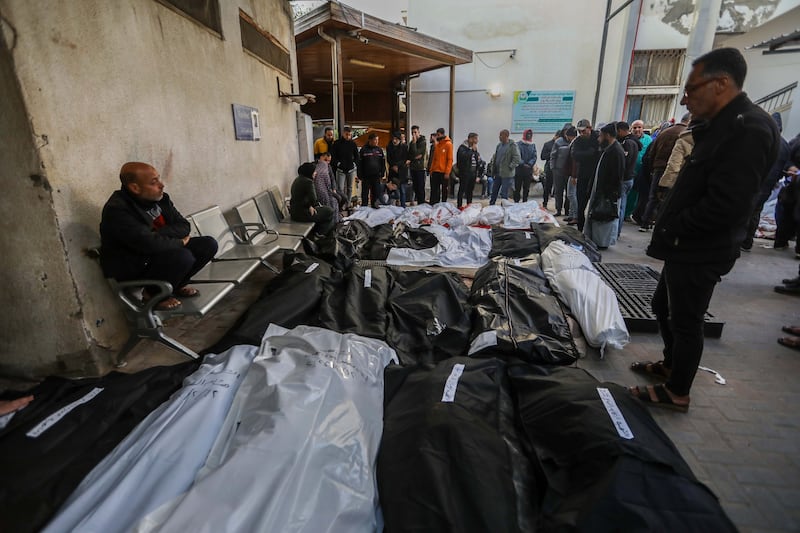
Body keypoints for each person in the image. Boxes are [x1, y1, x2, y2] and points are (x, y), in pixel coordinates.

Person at [630, 47, 779, 413]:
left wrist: (677, 226)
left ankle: (678, 390)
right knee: (662, 306)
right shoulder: (726, 124)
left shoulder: (749, 129)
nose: (685, 98)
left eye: (692, 88)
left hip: (700, 248)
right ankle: (670, 365)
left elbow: (728, 205)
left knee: (686, 320)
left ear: (721, 84)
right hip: (685, 245)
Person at [100, 162, 218, 311]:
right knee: (182, 255)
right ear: (134, 188)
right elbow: (148, 243)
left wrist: (158, 234)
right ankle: (154, 295)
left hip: (155, 255)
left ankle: (176, 285)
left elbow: (184, 225)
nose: (161, 185)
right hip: (133, 264)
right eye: (154, 182)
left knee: (207, 244)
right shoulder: (118, 209)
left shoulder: (161, 199)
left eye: (159, 179)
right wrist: (179, 243)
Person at [638, 113, 691, 231]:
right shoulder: (686, 135)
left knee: (653, 197)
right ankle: (660, 225)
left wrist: (653, 167)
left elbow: (652, 151)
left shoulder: (664, 132)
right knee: (667, 200)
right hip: (673, 170)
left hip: (658, 168)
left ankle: (645, 222)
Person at [584, 123, 625, 249]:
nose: (598, 139)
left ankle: (601, 244)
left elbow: (615, 177)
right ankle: (596, 240)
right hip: (600, 192)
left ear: (607, 136)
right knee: (597, 219)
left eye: (600, 136)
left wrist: (607, 195)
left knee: (603, 219)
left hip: (607, 194)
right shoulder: (608, 149)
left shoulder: (616, 152)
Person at [571, 119, 601, 231]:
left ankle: (592, 229)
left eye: (584, 131)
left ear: (590, 128)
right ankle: (580, 227)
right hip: (583, 174)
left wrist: (587, 153)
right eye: (580, 131)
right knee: (581, 203)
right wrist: (590, 152)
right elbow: (575, 154)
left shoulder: (597, 138)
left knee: (594, 204)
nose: (582, 134)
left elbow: (600, 153)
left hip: (596, 175)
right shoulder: (578, 141)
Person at [290, 162, 335, 236]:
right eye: (314, 171)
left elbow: (300, 198)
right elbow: (314, 200)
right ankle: (320, 235)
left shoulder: (297, 179)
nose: (315, 173)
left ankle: (316, 234)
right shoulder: (308, 182)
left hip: (294, 212)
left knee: (323, 213)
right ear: (309, 172)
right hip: (302, 214)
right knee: (330, 211)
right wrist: (311, 205)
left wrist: (310, 206)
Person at [616, 121, 641, 238]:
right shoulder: (634, 142)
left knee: (620, 207)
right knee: (622, 205)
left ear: (621, 130)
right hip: (629, 178)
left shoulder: (627, 143)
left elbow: (624, 162)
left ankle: (616, 231)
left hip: (625, 179)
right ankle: (617, 231)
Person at [624, 119, 653, 220]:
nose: (637, 129)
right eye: (635, 127)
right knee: (628, 192)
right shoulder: (627, 139)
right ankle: (625, 213)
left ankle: (630, 213)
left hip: (642, 171)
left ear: (643, 128)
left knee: (637, 194)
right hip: (629, 171)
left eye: (639, 127)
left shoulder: (649, 139)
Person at [489, 129, 521, 205]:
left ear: (506, 136)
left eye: (501, 135)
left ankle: (504, 207)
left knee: (504, 192)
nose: (499, 137)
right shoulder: (499, 145)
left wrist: (510, 167)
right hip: (497, 172)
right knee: (494, 190)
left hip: (507, 173)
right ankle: (491, 205)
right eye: (499, 135)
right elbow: (496, 157)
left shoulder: (512, 146)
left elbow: (517, 158)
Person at [330, 126, 359, 206]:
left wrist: (354, 164)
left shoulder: (353, 144)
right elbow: (332, 157)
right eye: (346, 134)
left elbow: (357, 156)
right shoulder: (336, 143)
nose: (348, 136)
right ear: (343, 133)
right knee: (340, 188)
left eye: (349, 135)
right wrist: (338, 164)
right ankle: (341, 204)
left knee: (349, 188)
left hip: (351, 169)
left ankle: (348, 203)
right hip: (340, 170)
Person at [550, 126, 576, 216]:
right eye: (565, 132)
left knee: (569, 193)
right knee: (558, 191)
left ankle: (567, 210)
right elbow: (553, 156)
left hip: (569, 172)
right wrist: (553, 168)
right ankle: (558, 209)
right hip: (558, 170)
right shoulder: (558, 142)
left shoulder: (575, 142)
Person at [455, 132, 484, 208]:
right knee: (462, 190)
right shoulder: (462, 148)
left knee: (470, 191)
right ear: (470, 139)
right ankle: (459, 206)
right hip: (464, 173)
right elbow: (463, 158)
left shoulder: (474, 149)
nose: (477, 141)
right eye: (475, 139)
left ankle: (469, 205)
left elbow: (477, 159)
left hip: (473, 173)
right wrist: (472, 151)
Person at [358, 133, 386, 208]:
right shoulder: (363, 150)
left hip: (376, 175)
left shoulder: (379, 150)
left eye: (377, 140)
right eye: (375, 140)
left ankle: (374, 204)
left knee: (376, 191)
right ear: (370, 140)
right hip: (366, 175)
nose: (377, 141)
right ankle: (364, 206)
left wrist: (382, 173)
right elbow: (359, 163)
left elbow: (383, 163)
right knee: (365, 192)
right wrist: (359, 174)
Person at [314, 153, 343, 223]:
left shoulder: (328, 166)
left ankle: (338, 214)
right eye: (326, 160)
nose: (327, 162)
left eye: (329, 161)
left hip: (329, 189)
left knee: (343, 198)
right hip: (323, 190)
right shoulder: (314, 166)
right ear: (321, 157)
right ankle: (335, 218)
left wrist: (334, 189)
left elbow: (332, 178)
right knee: (337, 199)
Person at [429, 127, 453, 204]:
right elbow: (434, 159)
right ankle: (433, 204)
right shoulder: (437, 145)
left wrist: (447, 172)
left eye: (438, 135)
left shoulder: (448, 144)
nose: (437, 136)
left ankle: (443, 204)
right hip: (436, 171)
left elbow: (450, 159)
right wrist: (431, 170)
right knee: (434, 190)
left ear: (442, 134)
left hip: (443, 171)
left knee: (444, 190)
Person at [386, 131, 409, 207]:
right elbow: (389, 158)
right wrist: (393, 166)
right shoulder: (389, 147)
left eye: (396, 139)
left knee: (402, 190)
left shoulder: (404, 147)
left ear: (399, 139)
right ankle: (390, 205)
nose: (394, 141)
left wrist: (397, 166)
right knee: (391, 189)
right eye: (393, 139)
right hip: (392, 171)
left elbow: (405, 158)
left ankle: (403, 207)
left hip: (402, 171)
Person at [515, 128, 538, 203]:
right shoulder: (518, 144)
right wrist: (523, 164)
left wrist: (529, 164)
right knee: (517, 187)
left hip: (528, 171)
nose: (529, 135)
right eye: (527, 134)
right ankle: (516, 202)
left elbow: (534, 157)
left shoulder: (532, 145)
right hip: (519, 170)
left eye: (530, 134)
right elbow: (517, 156)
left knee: (526, 188)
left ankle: (525, 202)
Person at [407, 125, 428, 205]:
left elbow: (417, 153)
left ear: (419, 132)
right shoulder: (411, 143)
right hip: (413, 168)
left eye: (415, 132)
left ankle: (421, 203)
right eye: (412, 133)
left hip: (420, 168)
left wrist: (414, 143)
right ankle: (418, 202)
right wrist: (414, 157)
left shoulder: (423, 142)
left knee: (420, 187)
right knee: (415, 187)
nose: (414, 134)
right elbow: (410, 155)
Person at [540, 131, 559, 209]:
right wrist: (552, 153)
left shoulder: (562, 144)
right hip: (549, 168)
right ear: (555, 136)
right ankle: (545, 203)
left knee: (558, 189)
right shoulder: (548, 144)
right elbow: (542, 156)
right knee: (547, 187)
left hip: (559, 168)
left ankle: (558, 207)